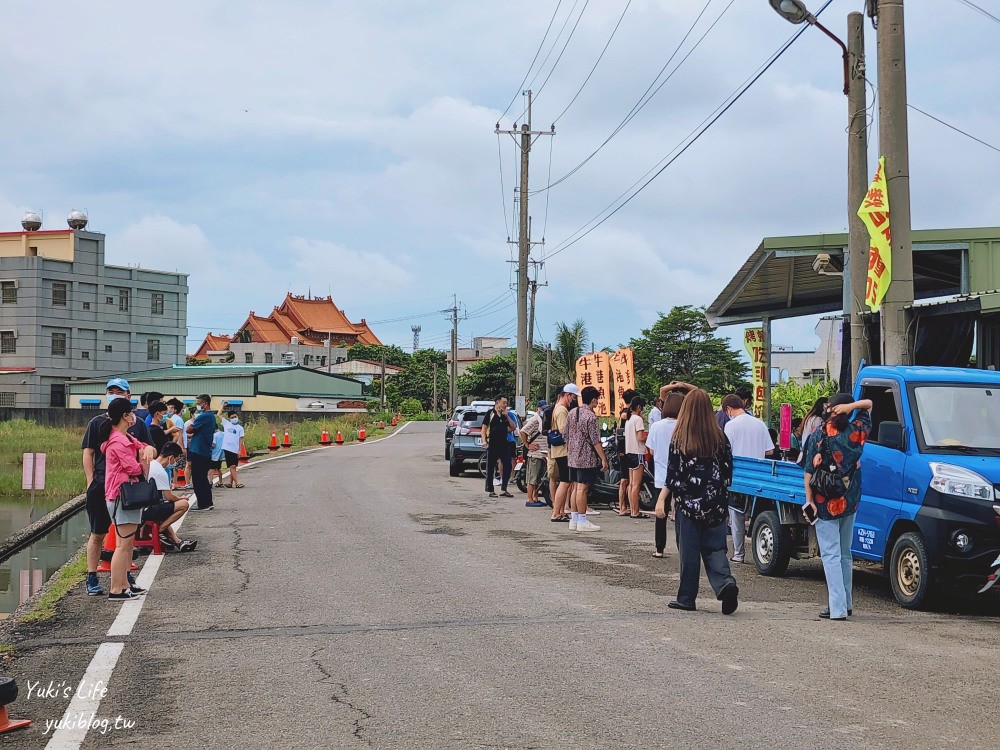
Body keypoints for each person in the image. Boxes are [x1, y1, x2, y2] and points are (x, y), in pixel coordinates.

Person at [666, 388, 739, 615]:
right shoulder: (720, 437)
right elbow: (728, 471)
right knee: (716, 548)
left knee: (689, 551)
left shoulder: (680, 438)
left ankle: (687, 598)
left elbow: (674, 474)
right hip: (715, 503)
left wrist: (672, 499)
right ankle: (726, 584)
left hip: (688, 505)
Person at [81, 377, 156, 598]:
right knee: (99, 533)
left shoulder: (136, 426)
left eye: (119, 391)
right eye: (110, 390)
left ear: (128, 395)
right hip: (106, 486)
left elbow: (147, 445)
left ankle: (123, 579)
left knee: (125, 539)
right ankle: (95, 577)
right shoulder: (98, 424)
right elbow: (89, 452)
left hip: (125, 490)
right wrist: (90, 480)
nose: (114, 393)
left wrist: (149, 450)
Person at [803, 393, 872, 620]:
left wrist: (809, 500)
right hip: (850, 500)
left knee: (830, 554)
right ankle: (846, 603)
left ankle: (838, 608)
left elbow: (809, 472)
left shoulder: (818, 435)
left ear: (832, 409)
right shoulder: (856, 432)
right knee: (844, 554)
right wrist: (850, 406)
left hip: (825, 502)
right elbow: (869, 405)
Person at [99, 398, 151, 601]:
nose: (134, 416)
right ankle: (116, 588)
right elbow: (134, 468)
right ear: (124, 416)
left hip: (125, 496)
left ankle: (124, 584)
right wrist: (143, 459)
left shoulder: (124, 437)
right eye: (131, 413)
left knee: (127, 544)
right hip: (122, 496)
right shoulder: (118, 441)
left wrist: (145, 451)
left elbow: (144, 446)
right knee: (122, 545)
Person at [722, 393, 776, 563]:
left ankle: (739, 554)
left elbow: (726, 452)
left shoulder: (730, 426)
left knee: (736, 516)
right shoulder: (760, 424)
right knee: (756, 511)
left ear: (729, 409)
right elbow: (769, 451)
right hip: (759, 476)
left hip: (739, 475)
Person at [564, 386, 609, 533]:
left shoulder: (572, 413)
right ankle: (582, 520)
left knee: (575, 487)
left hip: (572, 456)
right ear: (594, 399)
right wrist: (603, 458)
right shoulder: (590, 417)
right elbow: (595, 440)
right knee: (582, 489)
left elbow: (566, 435)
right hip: (585, 457)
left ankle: (574, 519)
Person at [143, 442, 197, 552]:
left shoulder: (151, 464)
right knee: (183, 505)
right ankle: (160, 530)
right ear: (170, 457)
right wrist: (181, 499)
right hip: (148, 510)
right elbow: (169, 498)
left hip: (143, 506)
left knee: (165, 508)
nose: (175, 463)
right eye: (176, 460)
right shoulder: (160, 471)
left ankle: (177, 541)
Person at [649, 390, 684, 558]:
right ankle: (681, 546)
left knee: (660, 513)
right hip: (680, 475)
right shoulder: (683, 426)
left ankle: (659, 548)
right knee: (679, 513)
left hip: (661, 475)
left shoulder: (656, 426)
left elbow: (651, 449)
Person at [546, 384, 578, 522]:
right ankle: (556, 512)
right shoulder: (562, 410)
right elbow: (566, 433)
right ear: (567, 395)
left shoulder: (558, 409)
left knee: (565, 482)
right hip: (563, 451)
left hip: (560, 451)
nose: (574, 400)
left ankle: (558, 511)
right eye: (573, 396)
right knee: (565, 482)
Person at [186, 394, 217, 510]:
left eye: (199, 403)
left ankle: (203, 503)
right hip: (205, 450)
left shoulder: (203, 417)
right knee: (202, 477)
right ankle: (208, 502)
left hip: (198, 450)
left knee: (198, 478)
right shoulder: (211, 416)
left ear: (205, 403)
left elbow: (189, 429)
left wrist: (194, 420)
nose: (198, 406)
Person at [482, 396, 517, 498]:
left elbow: (513, 427)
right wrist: (484, 440)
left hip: (504, 443)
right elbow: (484, 428)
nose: (506, 405)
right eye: (504, 403)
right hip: (492, 443)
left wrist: (507, 416)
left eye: (506, 403)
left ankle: (504, 489)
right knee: (491, 466)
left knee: (507, 465)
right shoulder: (490, 414)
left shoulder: (505, 415)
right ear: (497, 402)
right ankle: (490, 490)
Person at [622, 395, 649, 519]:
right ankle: (635, 511)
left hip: (629, 453)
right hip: (638, 452)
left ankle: (632, 509)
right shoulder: (638, 419)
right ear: (639, 407)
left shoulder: (628, 419)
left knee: (631, 484)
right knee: (636, 485)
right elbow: (640, 438)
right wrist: (649, 437)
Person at [519, 404, 548, 508]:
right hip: (535, 454)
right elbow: (523, 431)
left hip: (543, 453)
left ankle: (535, 497)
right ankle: (530, 499)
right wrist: (527, 445)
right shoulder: (535, 420)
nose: (543, 411)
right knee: (532, 478)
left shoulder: (543, 420)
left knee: (538, 478)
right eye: (542, 409)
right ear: (538, 409)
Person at [615, 388, 638, 515]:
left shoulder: (624, 412)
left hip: (624, 448)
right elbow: (622, 434)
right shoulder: (627, 414)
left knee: (627, 479)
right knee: (625, 479)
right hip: (625, 449)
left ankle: (624, 506)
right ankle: (622, 506)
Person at [222, 410, 246, 488]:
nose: (234, 418)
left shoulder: (240, 428)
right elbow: (219, 414)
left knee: (234, 466)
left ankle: (230, 482)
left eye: (235, 417)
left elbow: (241, 439)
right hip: (227, 448)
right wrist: (223, 405)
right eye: (232, 417)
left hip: (235, 449)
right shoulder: (226, 424)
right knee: (232, 466)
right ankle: (237, 482)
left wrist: (239, 450)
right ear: (229, 418)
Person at [210, 423, 225, 488]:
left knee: (211, 469)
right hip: (221, 454)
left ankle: (210, 482)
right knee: (218, 468)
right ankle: (220, 482)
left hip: (214, 455)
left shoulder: (214, 435)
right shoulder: (223, 434)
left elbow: (213, 445)